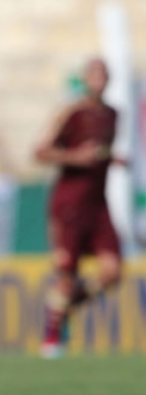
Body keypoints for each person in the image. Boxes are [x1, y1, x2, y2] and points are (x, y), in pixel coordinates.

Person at [33, 58, 122, 359]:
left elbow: (98, 152)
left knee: (112, 271)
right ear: (85, 78)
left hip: (98, 204)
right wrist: (76, 157)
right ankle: (52, 339)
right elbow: (40, 152)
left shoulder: (112, 114)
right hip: (70, 202)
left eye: (105, 74)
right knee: (66, 273)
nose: (100, 79)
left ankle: (65, 307)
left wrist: (113, 159)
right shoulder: (72, 111)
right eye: (95, 73)